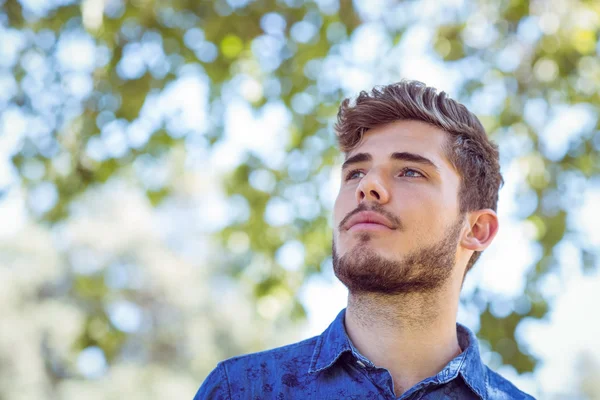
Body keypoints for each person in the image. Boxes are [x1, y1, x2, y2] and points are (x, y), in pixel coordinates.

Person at [194, 80, 536, 399]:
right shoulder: (241, 390)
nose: (366, 186)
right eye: (355, 172)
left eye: (410, 171)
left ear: (476, 230)